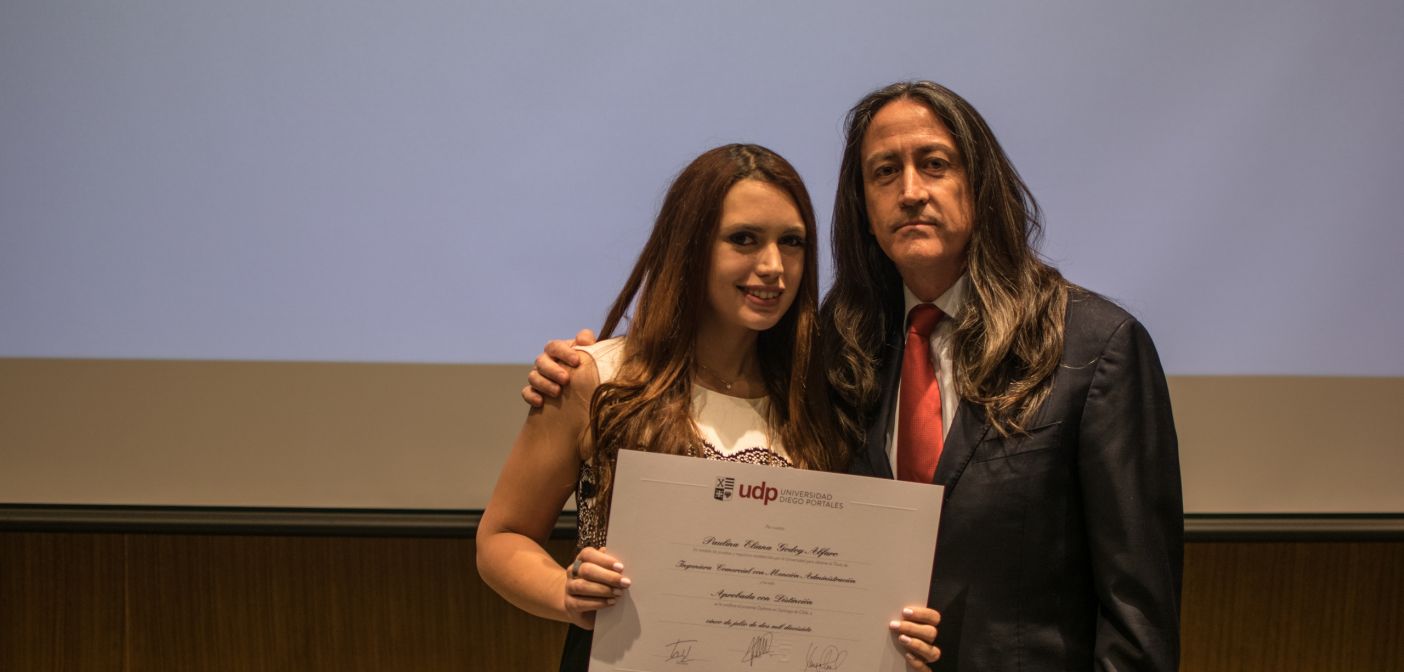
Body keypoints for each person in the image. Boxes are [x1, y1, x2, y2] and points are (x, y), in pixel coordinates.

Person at [524, 81, 1183, 670]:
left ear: (980, 185)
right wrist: (583, 366)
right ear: (863, 204)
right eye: (884, 172)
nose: (911, 191)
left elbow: (1139, 618)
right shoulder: (835, 344)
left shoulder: (1094, 347)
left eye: (935, 164)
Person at [477, 143, 942, 672]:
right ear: (691, 246)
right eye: (744, 239)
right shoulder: (597, 379)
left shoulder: (823, 394)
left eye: (792, 242)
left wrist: (891, 631)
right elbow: (502, 538)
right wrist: (565, 593)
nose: (773, 266)